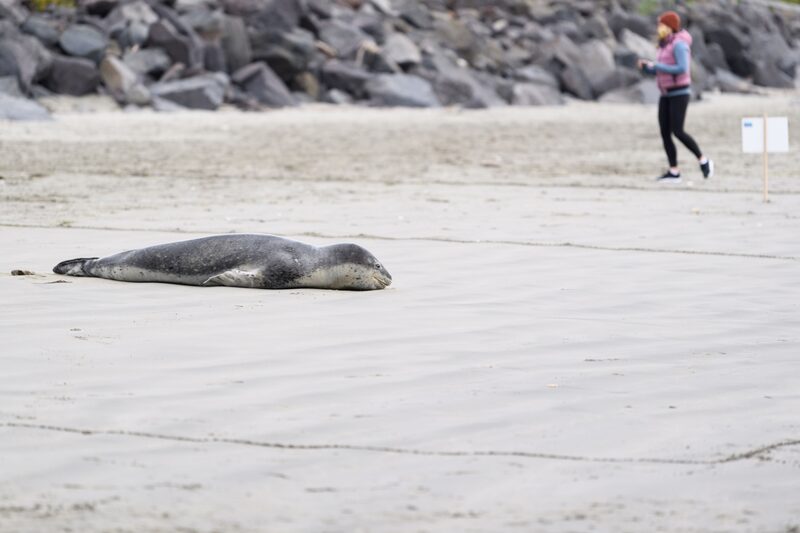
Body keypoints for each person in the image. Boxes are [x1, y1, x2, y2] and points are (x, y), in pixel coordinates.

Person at [638, 11, 713, 183]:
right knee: (665, 132)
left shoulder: (680, 44)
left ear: (670, 26)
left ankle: (704, 160)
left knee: (677, 131)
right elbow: (662, 67)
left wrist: (658, 66)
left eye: (661, 25)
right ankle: (674, 171)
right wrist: (648, 68)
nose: (658, 28)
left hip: (679, 93)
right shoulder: (665, 44)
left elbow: (682, 68)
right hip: (665, 93)